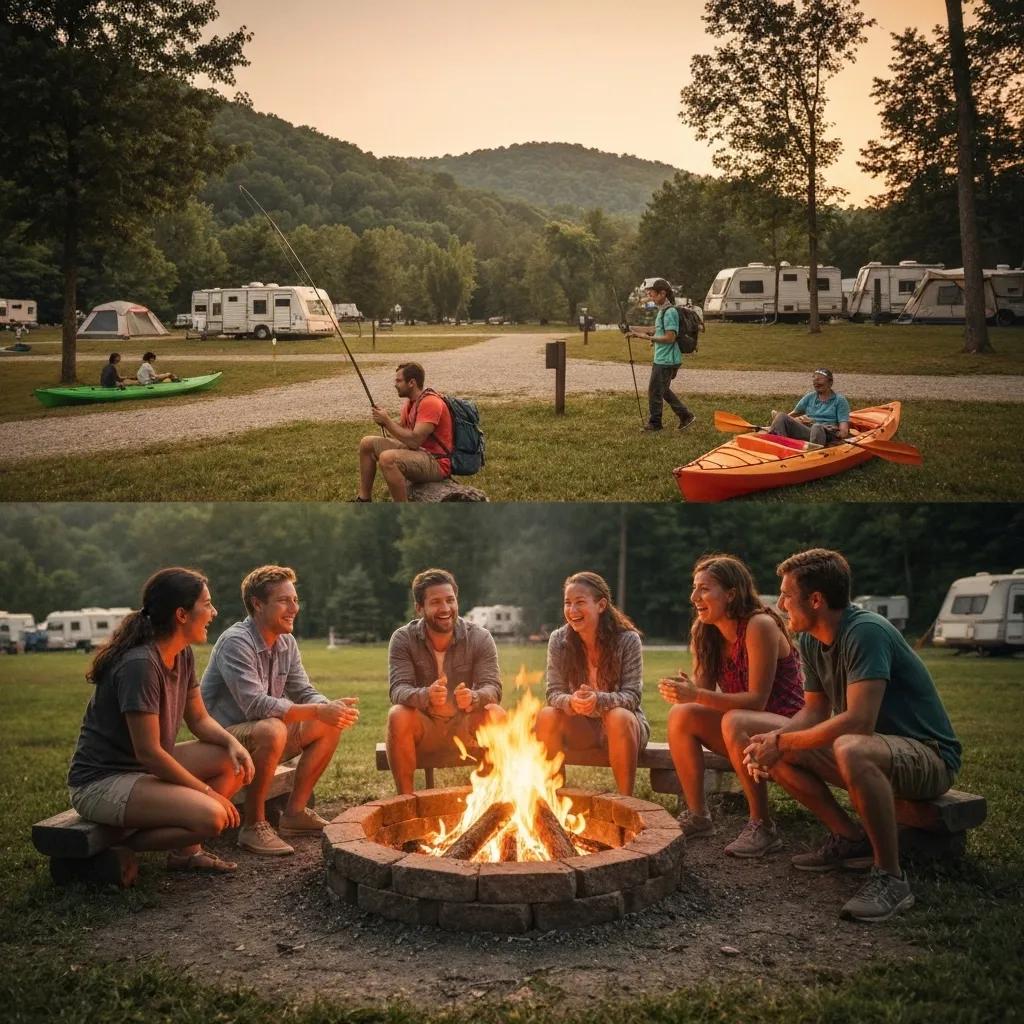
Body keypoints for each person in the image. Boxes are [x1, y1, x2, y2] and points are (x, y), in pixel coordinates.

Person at [723, 548, 961, 923]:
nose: (781, 603)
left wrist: (783, 741)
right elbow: (814, 710)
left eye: (786, 595)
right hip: (871, 751)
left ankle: (891, 879)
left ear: (816, 599)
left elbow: (858, 722)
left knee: (849, 746)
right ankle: (849, 839)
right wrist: (774, 742)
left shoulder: (865, 632)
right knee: (762, 737)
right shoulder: (812, 639)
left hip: (928, 756)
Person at [66, 568, 255, 873]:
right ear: (182, 614)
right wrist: (206, 793)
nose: (214, 612)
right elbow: (149, 753)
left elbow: (199, 719)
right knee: (212, 817)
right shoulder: (140, 665)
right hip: (103, 782)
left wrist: (232, 743)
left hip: (141, 769)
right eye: (206, 604)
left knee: (232, 762)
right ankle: (123, 845)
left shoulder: (182, 655)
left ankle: (185, 853)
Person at [200, 565, 360, 856]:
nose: (294, 608)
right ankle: (254, 825)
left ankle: (294, 814)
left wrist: (329, 708)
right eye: (284, 601)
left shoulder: (286, 642)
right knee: (272, 728)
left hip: (263, 735)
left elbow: (303, 690)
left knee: (328, 723)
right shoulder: (236, 642)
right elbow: (256, 705)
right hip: (225, 740)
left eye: (295, 600)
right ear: (258, 604)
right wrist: (316, 711)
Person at [658, 554, 804, 855]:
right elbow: (705, 696)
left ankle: (762, 826)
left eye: (704, 589)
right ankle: (699, 816)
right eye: (694, 588)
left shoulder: (759, 625)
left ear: (731, 593)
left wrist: (696, 695)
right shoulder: (705, 630)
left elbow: (757, 700)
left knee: (734, 720)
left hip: (787, 725)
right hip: (743, 727)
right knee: (682, 715)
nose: (694, 597)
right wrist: (689, 691)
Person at [386, 568, 504, 794]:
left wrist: (474, 696)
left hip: (464, 726)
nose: (445, 608)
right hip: (426, 727)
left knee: (496, 713)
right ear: (420, 607)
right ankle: (405, 802)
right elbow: (398, 689)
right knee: (398, 715)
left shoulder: (479, 637)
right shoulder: (403, 638)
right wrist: (425, 695)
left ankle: (494, 801)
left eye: (450, 600)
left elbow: (493, 687)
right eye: (436, 602)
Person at [537, 572, 650, 795]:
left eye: (580, 603)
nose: (572, 610)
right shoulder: (559, 640)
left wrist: (598, 699)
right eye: (568, 603)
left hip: (625, 727)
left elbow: (632, 697)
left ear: (601, 605)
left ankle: (626, 802)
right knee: (546, 715)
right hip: (583, 726)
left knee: (618, 716)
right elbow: (553, 693)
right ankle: (553, 799)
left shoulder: (627, 639)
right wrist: (573, 701)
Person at [355, 362, 454, 502]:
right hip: (417, 452)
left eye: (398, 380)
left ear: (412, 382)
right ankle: (363, 499)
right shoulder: (410, 403)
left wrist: (387, 421)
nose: (395, 384)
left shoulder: (431, 402)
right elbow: (402, 434)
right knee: (367, 443)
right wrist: (384, 421)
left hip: (436, 462)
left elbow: (414, 441)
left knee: (387, 459)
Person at [628, 278, 695, 433]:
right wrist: (633, 329)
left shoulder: (670, 312)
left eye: (652, 293)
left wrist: (646, 337)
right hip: (663, 358)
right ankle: (685, 416)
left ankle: (655, 423)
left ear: (662, 293)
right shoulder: (663, 311)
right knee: (662, 390)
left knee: (655, 391)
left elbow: (670, 337)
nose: (650, 296)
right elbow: (656, 329)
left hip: (667, 360)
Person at [768, 368, 850, 447]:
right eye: (814, 380)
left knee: (816, 427)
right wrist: (778, 421)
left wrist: (837, 433)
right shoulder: (810, 397)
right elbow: (793, 414)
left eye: (820, 379)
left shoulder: (840, 400)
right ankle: (779, 446)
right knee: (781, 416)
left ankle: (812, 453)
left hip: (826, 434)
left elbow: (844, 431)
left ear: (830, 382)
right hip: (808, 431)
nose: (816, 382)